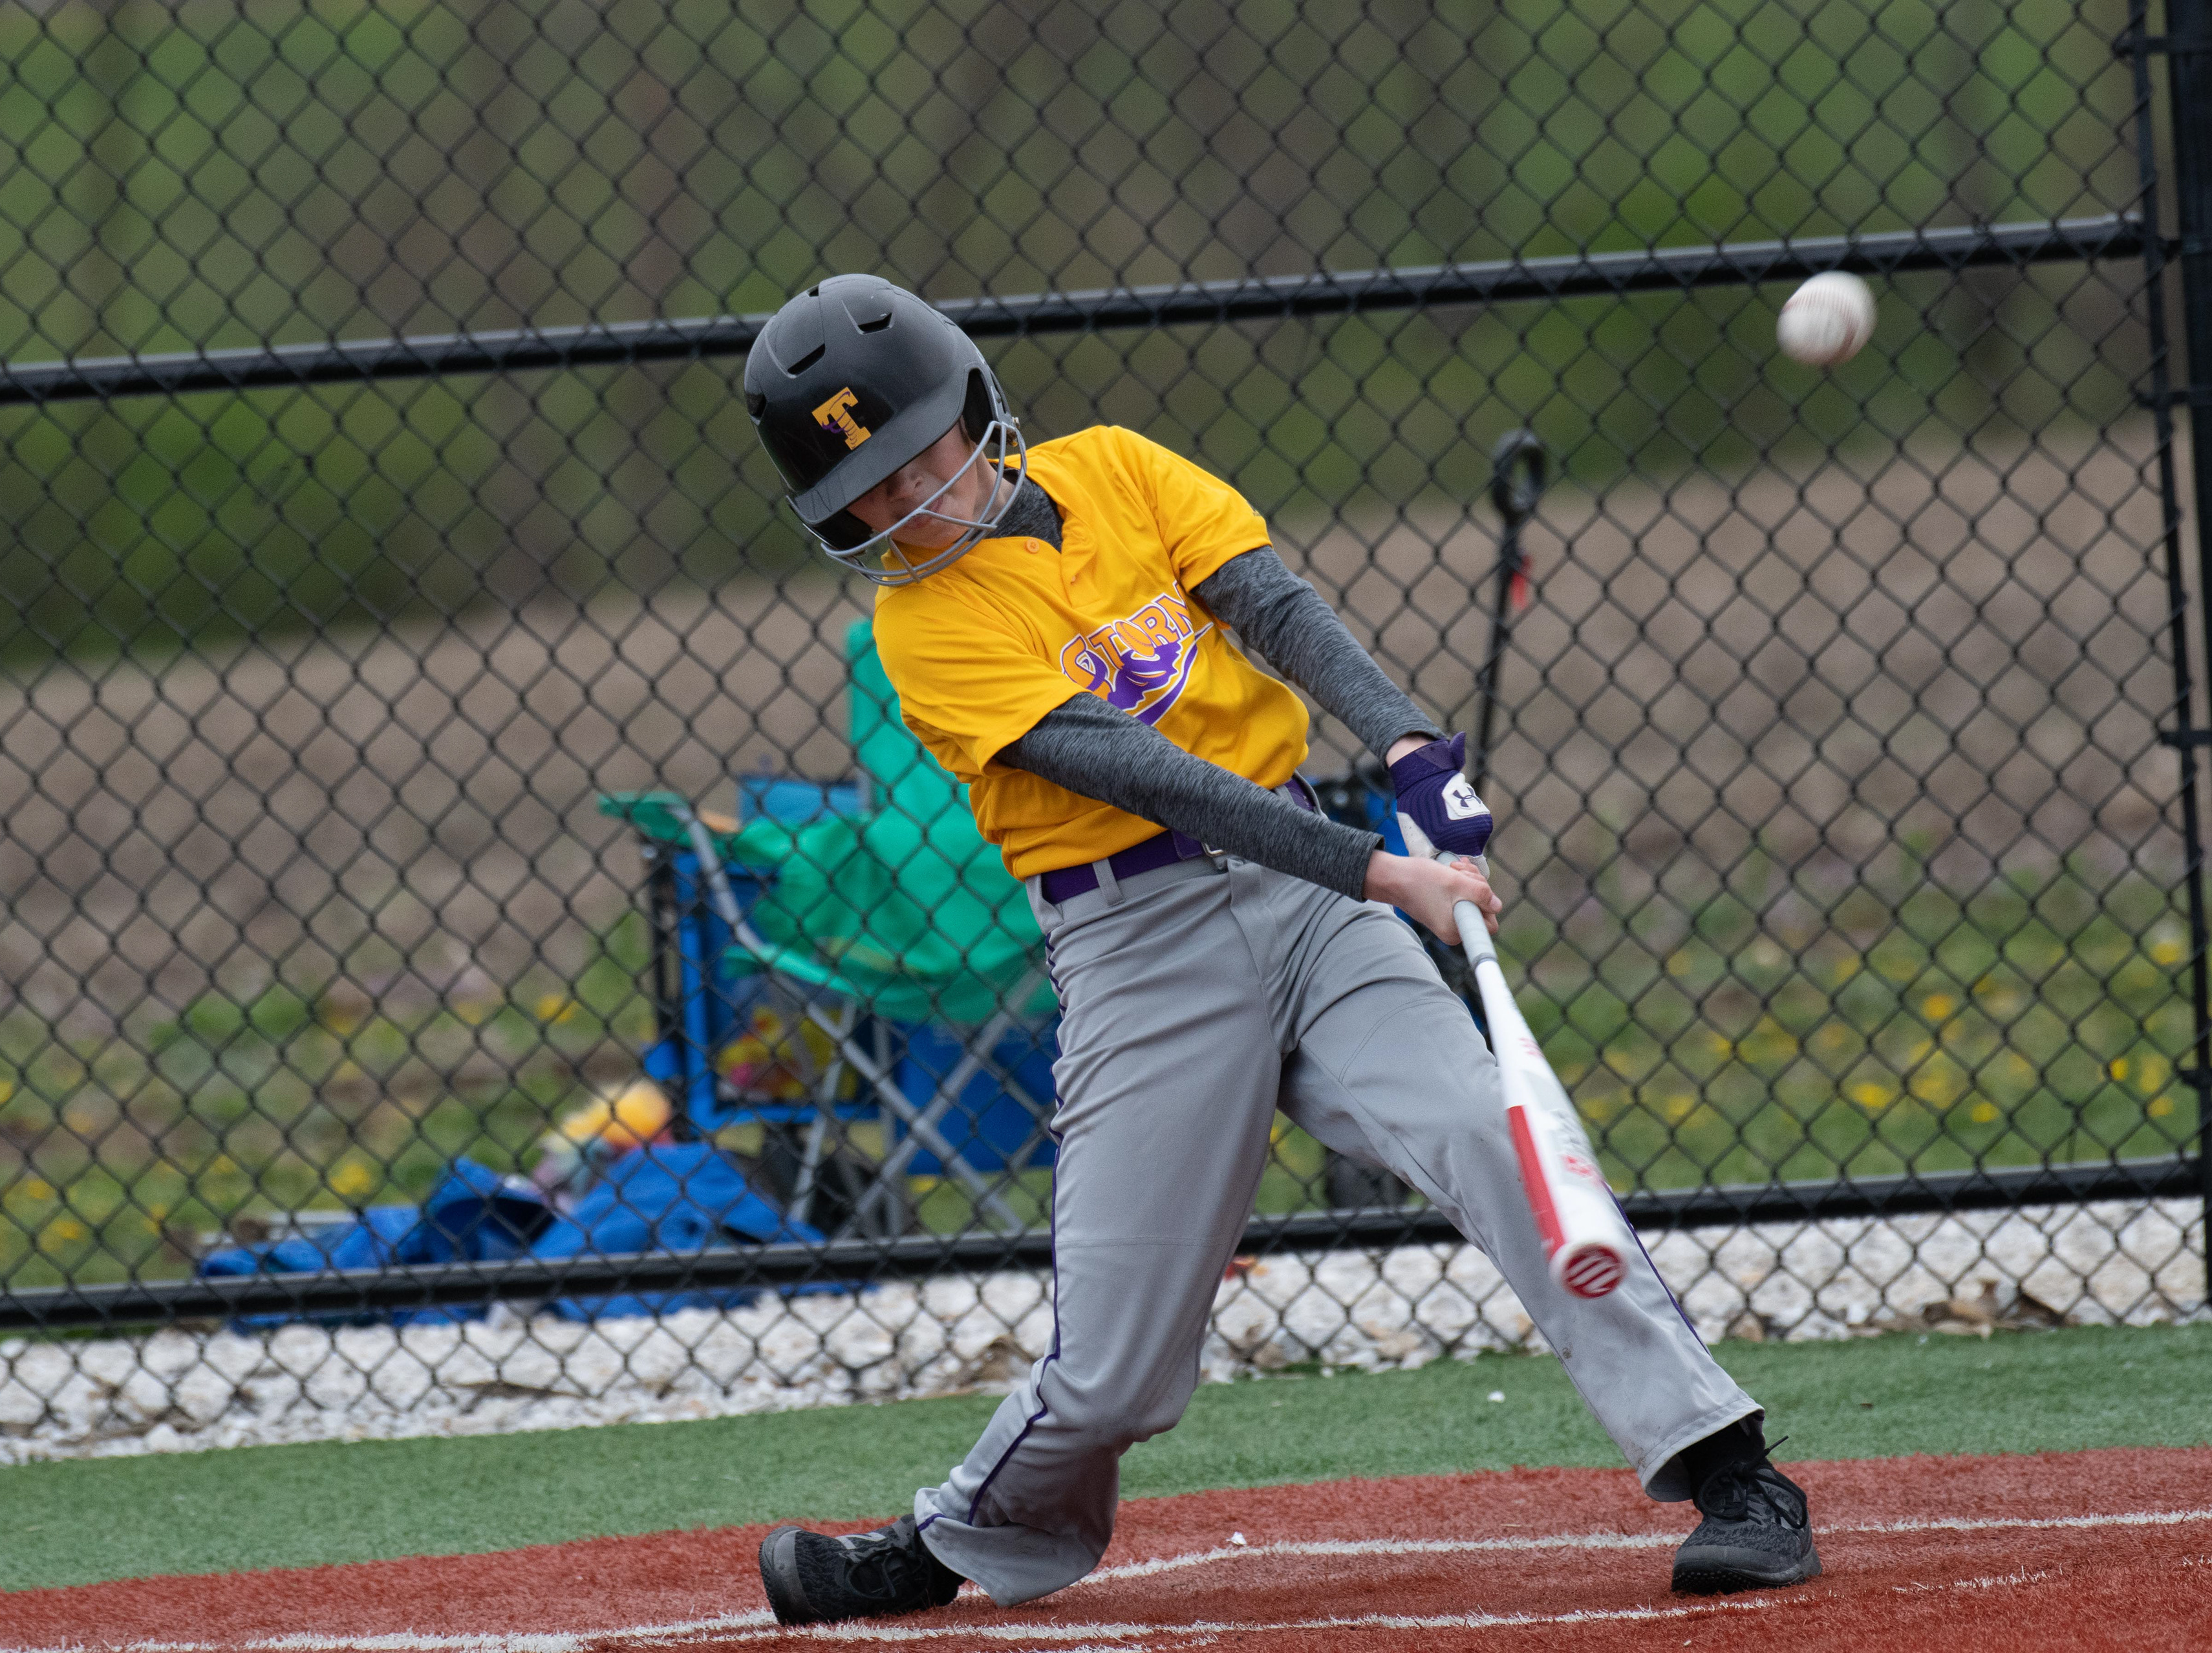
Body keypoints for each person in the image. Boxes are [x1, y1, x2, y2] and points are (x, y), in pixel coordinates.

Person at [737, 275, 1818, 1626]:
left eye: (916, 460)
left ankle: (1732, 1470)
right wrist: (1381, 869)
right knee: (1115, 1372)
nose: (908, 506)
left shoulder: (1117, 468)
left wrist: (1408, 742)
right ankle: (947, 1541)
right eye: (869, 497)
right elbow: (1144, 773)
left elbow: (1273, 606)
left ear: (972, 406)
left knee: (1489, 1135)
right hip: (1140, 950)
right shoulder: (923, 628)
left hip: (1313, 910)